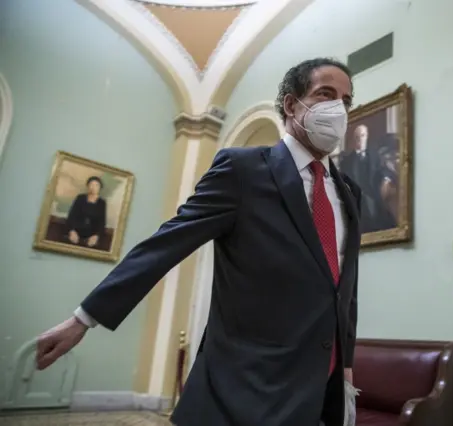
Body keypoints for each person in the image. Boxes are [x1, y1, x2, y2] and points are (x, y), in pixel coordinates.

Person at [35, 58, 362, 426]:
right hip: (247, 384)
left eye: (346, 101)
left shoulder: (349, 192)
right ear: (291, 104)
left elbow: (344, 291)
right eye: (325, 94)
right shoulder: (243, 171)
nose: (338, 109)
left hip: (320, 386)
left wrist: (346, 369)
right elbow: (167, 243)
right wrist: (83, 319)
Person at [340, 125, 394, 233]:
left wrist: (386, 180)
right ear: (354, 139)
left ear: (367, 137)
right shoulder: (346, 161)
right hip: (356, 201)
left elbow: (385, 170)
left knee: (387, 222)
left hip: (373, 198)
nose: (360, 139)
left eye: (363, 136)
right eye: (357, 137)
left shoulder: (375, 157)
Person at [66, 176, 107, 248]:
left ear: (100, 188)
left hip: (91, 235)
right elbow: (71, 216)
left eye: (96, 185)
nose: (93, 187)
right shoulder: (80, 198)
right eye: (91, 184)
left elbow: (102, 222)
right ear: (87, 186)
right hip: (76, 232)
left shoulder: (102, 203)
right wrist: (72, 231)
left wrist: (96, 236)